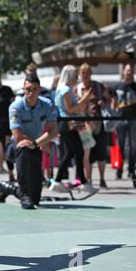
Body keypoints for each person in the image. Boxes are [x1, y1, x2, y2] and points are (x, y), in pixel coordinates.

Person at [0, 73, 58, 209]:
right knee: (23, 148)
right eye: (28, 89)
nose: (31, 92)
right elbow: (17, 135)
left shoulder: (46, 104)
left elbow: (53, 130)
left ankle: (7, 188)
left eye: (34, 89)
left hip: (36, 146)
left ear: (39, 90)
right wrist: (38, 142)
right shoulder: (15, 106)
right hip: (16, 147)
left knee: (35, 199)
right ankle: (23, 194)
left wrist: (37, 143)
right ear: (23, 90)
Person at [49, 65, 99, 194]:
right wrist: (85, 98)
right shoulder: (65, 89)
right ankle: (82, 182)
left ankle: (58, 181)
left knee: (70, 153)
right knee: (78, 152)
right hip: (67, 124)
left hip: (67, 124)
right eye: (75, 75)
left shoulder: (64, 89)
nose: (77, 77)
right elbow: (71, 109)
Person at [76, 63, 111, 188]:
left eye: (87, 73)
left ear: (90, 74)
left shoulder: (99, 86)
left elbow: (109, 98)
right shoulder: (78, 88)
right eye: (83, 73)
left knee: (101, 152)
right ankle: (88, 180)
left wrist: (103, 102)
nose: (85, 75)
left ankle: (102, 179)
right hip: (85, 124)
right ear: (80, 74)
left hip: (99, 122)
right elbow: (74, 105)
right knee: (87, 153)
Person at [113, 63, 136, 180]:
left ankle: (131, 170)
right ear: (123, 71)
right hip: (120, 120)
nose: (129, 72)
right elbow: (113, 104)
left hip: (134, 119)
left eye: (131, 70)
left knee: (133, 146)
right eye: (127, 70)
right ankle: (119, 170)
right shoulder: (117, 86)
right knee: (120, 146)